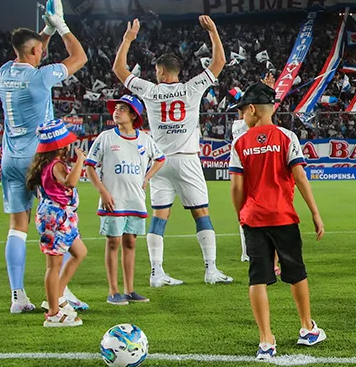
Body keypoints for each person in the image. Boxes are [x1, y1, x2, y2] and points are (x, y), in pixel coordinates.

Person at [113, 16, 231, 286]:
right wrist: (213, 31)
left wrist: (128, 39)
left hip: (159, 162)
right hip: (187, 160)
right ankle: (211, 270)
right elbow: (219, 62)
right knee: (201, 213)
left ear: (162, 72)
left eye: (157, 71)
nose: (156, 74)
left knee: (159, 216)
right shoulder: (192, 88)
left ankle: (156, 273)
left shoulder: (150, 91)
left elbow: (119, 69)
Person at [0, 0, 87, 314]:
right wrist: (60, 26)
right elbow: (79, 57)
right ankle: (59, 293)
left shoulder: (4, 72)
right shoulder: (40, 77)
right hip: (40, 160)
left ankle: (17, 296)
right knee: (59, 220)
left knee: (17, 227)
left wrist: (44, 32)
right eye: (40, 49)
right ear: (35, 52)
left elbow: (34, 52)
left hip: (10, 158)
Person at [228, 82, 326, 360]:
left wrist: (241, 214)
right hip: (283, 216)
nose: (241, 116)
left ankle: (266, 341)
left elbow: (236, 187)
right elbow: (300, 176)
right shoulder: (286, 137)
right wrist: (315, 213)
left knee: (258, 278)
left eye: (242, 111)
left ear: (252, 109)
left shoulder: (240, 143)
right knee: (296, 272)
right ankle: (307, 328)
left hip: (254, 218)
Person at [85, 96, 165, 304]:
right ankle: (113, 291)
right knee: (113, 242)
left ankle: (130, 289)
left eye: (122, 109)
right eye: (116, 108)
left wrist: (147, 177)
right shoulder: (106, 137)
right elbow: (90, 166)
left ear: (133, 115)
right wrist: (102, 191)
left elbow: (160, 159)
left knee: (130, 242)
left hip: (135, 200)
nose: (117, 111)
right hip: (113, 200)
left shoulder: (145, 139)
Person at [25, 120, 88, 328]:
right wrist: (80, 160)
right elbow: (70, 182)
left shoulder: (48, 164)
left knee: (80, 252)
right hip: (56, 217)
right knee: (53, 265)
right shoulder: (56, 165)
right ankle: (53, 313)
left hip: (61, 217)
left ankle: (57, 296)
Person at [231, 73, 278, 262]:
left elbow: (264, 111)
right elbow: (263, 112)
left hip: (256, 175)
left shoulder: (246, 123)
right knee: (250, 215)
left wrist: (267, 92)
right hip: (249, 176)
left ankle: (254, 253)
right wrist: (266, 92)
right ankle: (251, 253)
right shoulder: (238, 126)